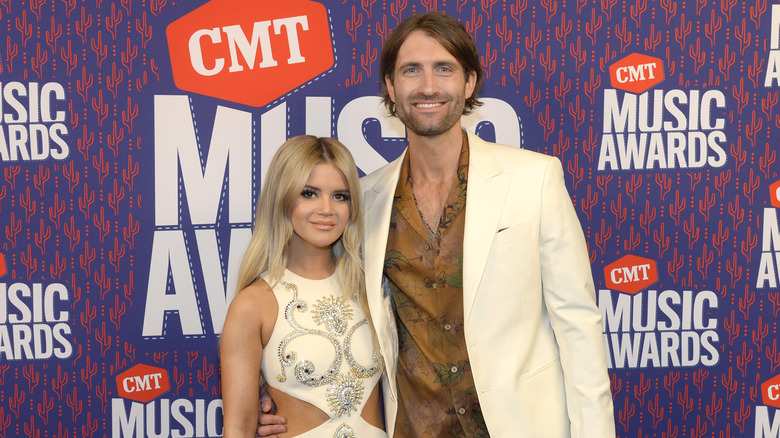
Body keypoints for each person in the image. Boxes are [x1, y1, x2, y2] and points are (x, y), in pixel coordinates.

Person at [258, 11, 615, 438]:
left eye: (443, 69)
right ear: (391, 87)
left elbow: (578, 324)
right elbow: (324, 301)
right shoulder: (362, 200)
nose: (428, 86)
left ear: (468, 83)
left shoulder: (534, 179)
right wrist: (282, 386)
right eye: (411, 71)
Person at [221, 136, 387, 438]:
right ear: (282, 198)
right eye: (309, 193)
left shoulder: (373, 290)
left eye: (340, 196)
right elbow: (237, 429)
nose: (327, 209)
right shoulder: (254, 304)